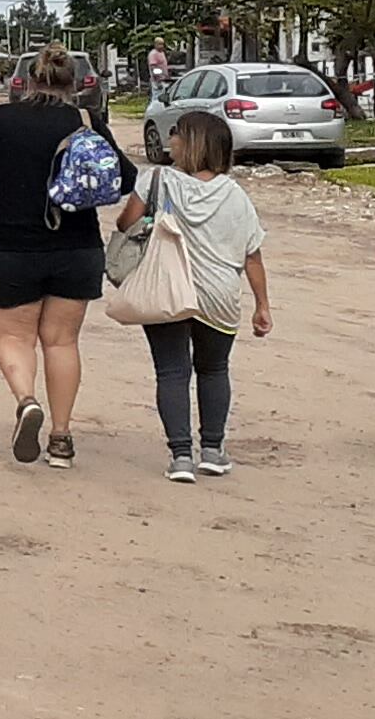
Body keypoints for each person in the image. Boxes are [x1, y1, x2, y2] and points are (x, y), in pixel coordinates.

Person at [0, 44, 128, 467]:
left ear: (28, 80)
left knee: (13, 337)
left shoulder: (1, 119)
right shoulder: (86, 122)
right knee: (62, 342)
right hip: (76, 248)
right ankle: (61, 439)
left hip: (11, 246)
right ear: (74, 84)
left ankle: (26, 401)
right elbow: (125, 177)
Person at [116, 109, 272, 483]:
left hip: (166, 288)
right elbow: (252, 254)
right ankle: (214, 451)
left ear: (191, 144)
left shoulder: (157, 180)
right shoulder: (235, 195)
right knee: (214, 369)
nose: (170, 141)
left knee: (171, 371)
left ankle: (181, 456)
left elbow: (126, 223)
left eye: (177, 135)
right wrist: (262, 304)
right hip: (219, 294)